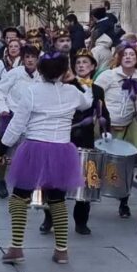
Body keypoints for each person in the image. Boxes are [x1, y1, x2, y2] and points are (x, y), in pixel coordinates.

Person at [0, 52, 92, 264]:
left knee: (19, 197)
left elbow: (17, 125)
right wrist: (77, 81)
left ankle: (16, 247)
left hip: (34, 148)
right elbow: (87, 103)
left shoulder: (32, 92)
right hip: (61, 149)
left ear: (40, 69)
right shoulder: (72, 92)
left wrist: (2, 146)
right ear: (64, 70)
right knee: (57, 199)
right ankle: (61, 250)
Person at [40, 49, 112, 234]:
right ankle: (50, 218)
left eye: (85, 63)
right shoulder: (63, 85)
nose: (81, 65)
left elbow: (102, 111)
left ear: (93, 66)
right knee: (56, 181)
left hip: (86, 139)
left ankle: (81, 221)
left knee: (85, 180)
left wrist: (106, 128)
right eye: (78, 62)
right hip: (64, 137)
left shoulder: (97, 89)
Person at [95, 42, 137, 217]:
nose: (128, 57)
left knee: (127, 166)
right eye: (125, 54)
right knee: (97, 163)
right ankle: (90, 195)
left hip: (127, 126)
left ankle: (124, 202)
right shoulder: (108, 76)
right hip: (106, 126)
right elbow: (95, 97)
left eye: (132, 54)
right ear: (119, 57)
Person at [0, 45, 41, 199]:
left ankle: (23, 185)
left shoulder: (42, 76)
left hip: (32, 121)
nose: (30, 60)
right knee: (3, 151)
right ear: (23, 58)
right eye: (27, 57)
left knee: (27, 156)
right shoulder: (14, 73)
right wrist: (3, 109)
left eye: (33, 57)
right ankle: (1, 180)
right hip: (11, 117)